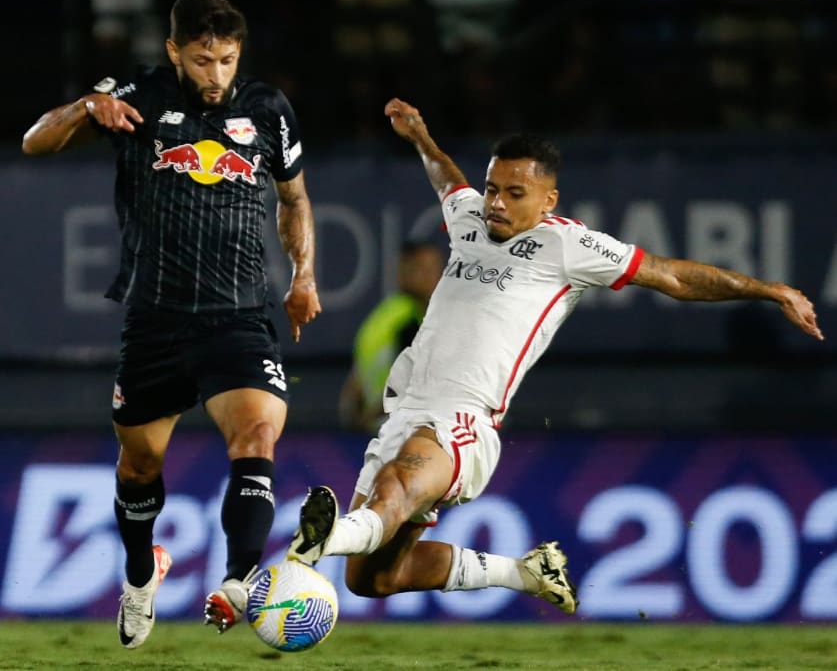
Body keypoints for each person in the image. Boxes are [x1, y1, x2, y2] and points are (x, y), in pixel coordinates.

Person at [286, 97, 823, 615]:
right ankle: (524, 573)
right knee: (371, 579)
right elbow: (446, 178)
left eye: (514, 193)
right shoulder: (471, 216)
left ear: (548, 200)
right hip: (404, 411)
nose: (496, 201)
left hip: (462, 419)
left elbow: (673, 276)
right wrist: (421, 137)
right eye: (493, 187)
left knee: (397, 487)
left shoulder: (569, 246)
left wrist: (770, 289)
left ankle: (321, 539)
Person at [21, 0, 321, 648]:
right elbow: (35, 142)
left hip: (238, 316)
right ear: (173, 52)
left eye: (227, 60)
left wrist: (303, 274)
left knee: (256, 437)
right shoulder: (139, 95)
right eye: (202, 59)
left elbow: (294, 199)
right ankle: (140, 573)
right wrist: (84, 106)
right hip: (155, 319)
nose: (216, 75)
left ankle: (240, 582)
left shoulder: (267, 109)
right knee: (138, 468)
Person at [339, 240, 444, 434]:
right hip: (401, 428)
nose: (433, 277)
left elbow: (354, 386)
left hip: (379, 429)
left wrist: (358, 423)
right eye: (422, 269)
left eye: (435, 269)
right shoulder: (410, 322)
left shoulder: (381, 316)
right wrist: (371, 416)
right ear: (403, 272)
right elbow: (406, 381)